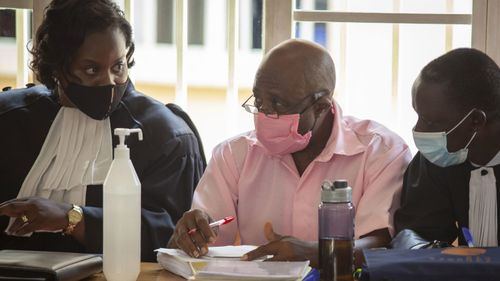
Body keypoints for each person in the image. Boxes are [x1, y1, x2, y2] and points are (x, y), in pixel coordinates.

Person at [168, 39, 412, 267]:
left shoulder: (380, 152)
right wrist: (190, 236)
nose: (264, 114)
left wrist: (315, 254)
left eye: (277, 103)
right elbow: (203, 245)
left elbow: (380, 245)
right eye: (259, 100)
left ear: (321, 106)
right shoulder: (234, 155)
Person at [0, 0, 205, 262]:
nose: (109, 82)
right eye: (91, 69)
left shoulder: (166, 135)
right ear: (58, 67)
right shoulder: (8, 120)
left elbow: (170, 237)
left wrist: (73, 218)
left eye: (118, 66)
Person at [394, 48, 500, 247]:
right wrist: (422, 249)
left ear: (476, 120)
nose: (419, 129)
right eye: (418, 116)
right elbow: (416, 231)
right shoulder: (436, 160)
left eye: (430, 122)